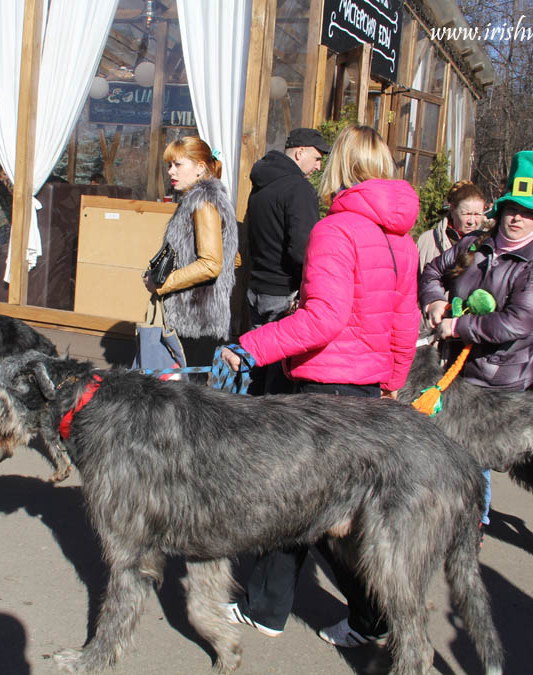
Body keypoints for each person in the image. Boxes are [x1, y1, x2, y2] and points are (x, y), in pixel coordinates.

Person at [220, 124, 420, 648]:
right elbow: (406, 321)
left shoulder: (336, 230)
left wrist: (251, 346)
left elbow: (324, 319)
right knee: (336, 513)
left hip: (324, 390)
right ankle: (357, 614)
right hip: (366, 392)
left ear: (343, 167)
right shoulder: (402, 241)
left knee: (300, 506)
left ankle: (275, 608)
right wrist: (393, 382)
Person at [420, 150, 533, 550]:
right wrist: (434, 301)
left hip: (497, 380)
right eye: (512, 208)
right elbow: (431, 271)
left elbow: (519, 322)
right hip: (450, 372)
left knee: (476, 457)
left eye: (526, 212)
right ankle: (446, 517)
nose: (516, 217)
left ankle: (471, 527)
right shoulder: (474, 244)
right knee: (445, 447)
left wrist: (459, 325)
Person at [243, 127, 330, 394]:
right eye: (316, 158)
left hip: (256, 288)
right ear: (300, 152)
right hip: (284, 293)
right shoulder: (299, 189)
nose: (318, 166)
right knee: (279, 378)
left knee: (255, 366)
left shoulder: (260, 183)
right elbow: (302, 249)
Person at [141, 136, 238, 366]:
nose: (170, 171)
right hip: (197, 317)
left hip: (195, 320)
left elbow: (211, 264)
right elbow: (231, 258)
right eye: (169, 165)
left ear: (200, 168)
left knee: (184, 396)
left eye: (178, 164)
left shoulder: (203, 202)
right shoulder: (200, 201)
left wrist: (163, 283)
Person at [416, 179, 487, 272]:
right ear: (452, 209)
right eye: (467, 214)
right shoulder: (427, 241)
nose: (472, 221)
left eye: (477, 214)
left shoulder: (490, 243)